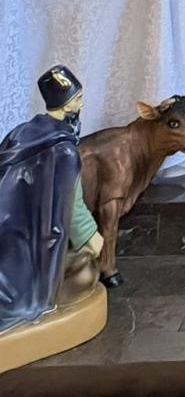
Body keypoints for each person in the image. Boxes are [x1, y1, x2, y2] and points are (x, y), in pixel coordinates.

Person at [0, 64, 102, 333]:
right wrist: (90, 236)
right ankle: (34, 304)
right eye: (78, 99)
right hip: (23, 241)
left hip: (8, 228)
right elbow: (69, 205)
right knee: (85, 271)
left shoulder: (21, 133)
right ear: (67, 105)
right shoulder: (64, 152)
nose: (82, 104)